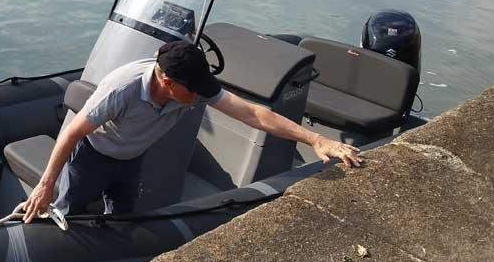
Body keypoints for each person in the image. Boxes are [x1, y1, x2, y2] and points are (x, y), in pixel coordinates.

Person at [21, 40, 362, 222]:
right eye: (193, 90)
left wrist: (317, 139)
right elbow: (72, 132)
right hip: (95, 156)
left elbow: (253, 114)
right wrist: (46, 183)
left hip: (132, 159)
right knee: (66, 211)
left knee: (122, 216)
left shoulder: (193, 86)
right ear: (166, 82)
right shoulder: (120, 90)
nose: (200, 96)